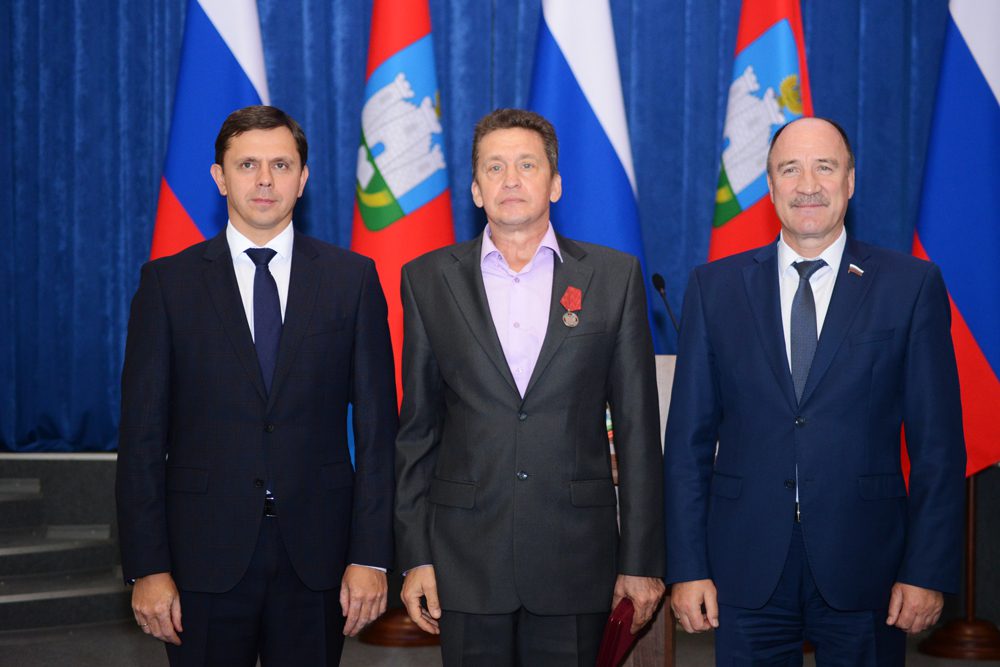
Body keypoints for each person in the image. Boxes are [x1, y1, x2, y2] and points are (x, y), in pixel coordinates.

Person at [664, 117, 966, 665]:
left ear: (850, 181)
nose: (808, 185)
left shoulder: (910, 286)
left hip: (868, 566)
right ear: (770, 185)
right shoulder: (715, 288)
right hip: (745, 566)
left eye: (824, 167)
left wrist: (926, 570)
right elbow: (687, 445)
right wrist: (687, 567)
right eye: (790, 169)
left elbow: (938, 449)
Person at [115, 105, 398, 666]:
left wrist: (371, 554)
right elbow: (141, 439)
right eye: (247, 165)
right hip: (201, 558)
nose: (264, 180)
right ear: (220, 177)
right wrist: (147, 566)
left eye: (280, 165)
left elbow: (378, 431)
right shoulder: (168, 285)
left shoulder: (352, 280)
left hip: (319, 558)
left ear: (303, 178)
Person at [394, 108, 665, 665]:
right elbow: (418, 431)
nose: (510, 179)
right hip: (465, 560)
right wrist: (415, 555)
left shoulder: (614, 278)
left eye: (527, 164)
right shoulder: (427, 279)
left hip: (575, 559)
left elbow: (637, 431)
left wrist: (641, 562)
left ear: (555, 184)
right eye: (494, 167)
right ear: (475, 189)